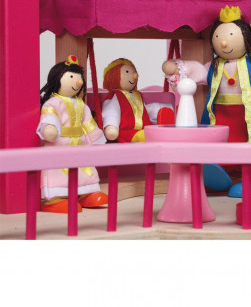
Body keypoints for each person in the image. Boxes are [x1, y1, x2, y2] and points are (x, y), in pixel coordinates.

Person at [162, 5, 251, 197]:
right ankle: (219, 174)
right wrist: (177, 68)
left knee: (248, 142)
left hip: (246, 116)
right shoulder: (214, 67)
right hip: (221, 114)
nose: (223, 42)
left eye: (230, 35)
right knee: (220, 142)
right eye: (218, 36)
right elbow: (197, 71)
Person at [38, 55, 108, 213]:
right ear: (58, 79)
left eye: (79, 78)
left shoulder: (81, 104)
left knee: (84, 168)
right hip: (59, 143)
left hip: (80, 142)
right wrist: (50, 128)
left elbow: (88, 123)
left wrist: (97, 140)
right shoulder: (53, 102)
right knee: (58, 170)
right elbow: (49, 116)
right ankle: (54, 199)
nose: (79, 82)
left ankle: (85, 193)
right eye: (72, 77)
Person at [102, 58, 174, 142]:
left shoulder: (137, 95)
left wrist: (164, 109)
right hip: (127, 133)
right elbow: (111, 112)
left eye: (134, 72)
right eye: (127, 72)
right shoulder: (116, 96)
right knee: (151, 136)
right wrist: (111, 126)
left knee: (152, 133)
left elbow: (145, 110)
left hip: (144, 130)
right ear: (114, 76)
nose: (135, 76)